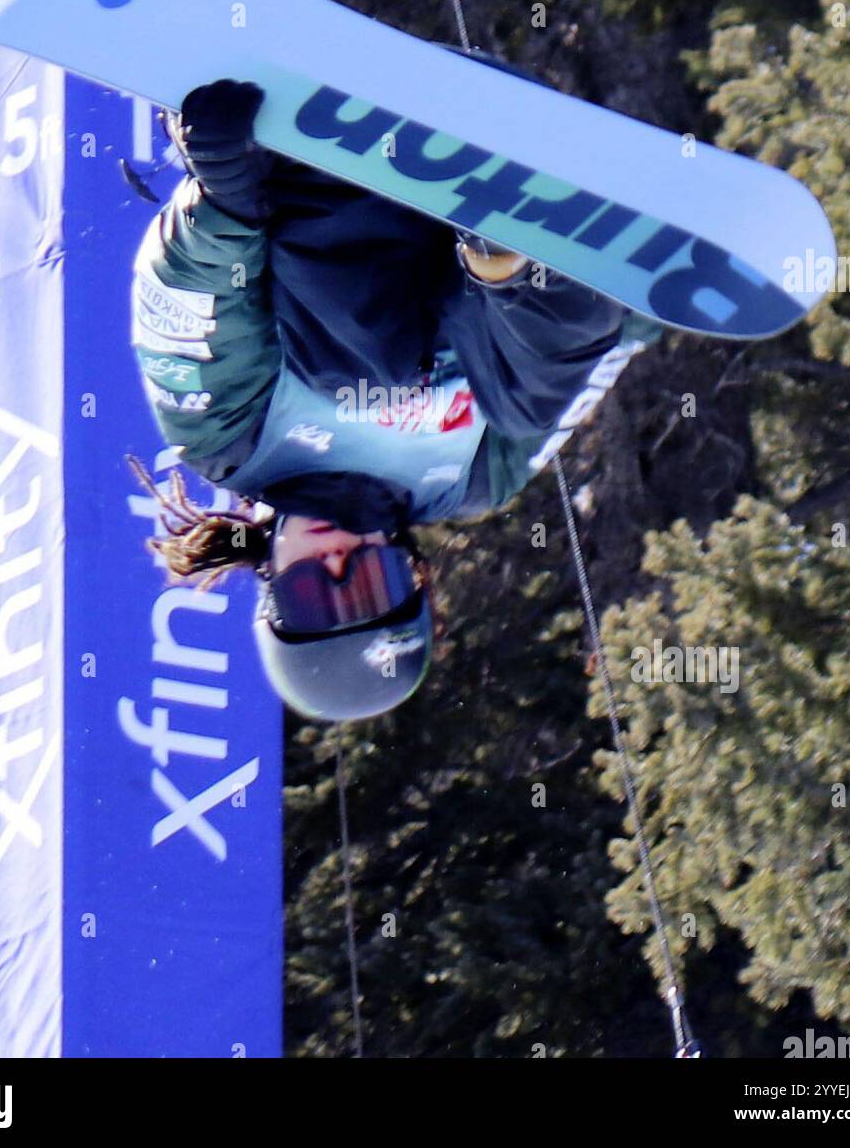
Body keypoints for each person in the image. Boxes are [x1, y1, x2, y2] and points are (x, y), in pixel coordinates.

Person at [130, 55, 642, 722]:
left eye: (316, 589)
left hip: (319, 182)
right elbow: (583, 369)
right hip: (480, 243)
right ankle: (518, 227)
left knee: (364, 379)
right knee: (523, 404)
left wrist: (226, 196)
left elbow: (191, 306)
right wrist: (647, 295)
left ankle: (411, 172)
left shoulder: (235, 440)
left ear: (273, 584)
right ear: (412, 568)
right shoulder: (473, 479)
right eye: (372, 582)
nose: (339, 556)